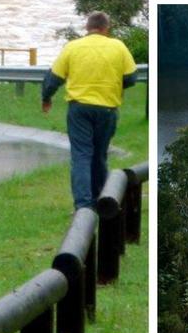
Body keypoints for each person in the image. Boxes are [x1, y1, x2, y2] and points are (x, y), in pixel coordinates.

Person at [41, 12, 138, 210]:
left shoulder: (72, 47)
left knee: (81, 156)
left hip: (79, 109)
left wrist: (46, 98)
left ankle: (84, 206)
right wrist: (115, 86)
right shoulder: (118, 47)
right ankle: (103, 197)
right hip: (107, 109)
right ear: (106, 28)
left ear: (87, 28)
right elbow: (131, 78)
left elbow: (54, 78)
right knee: (100, 154)